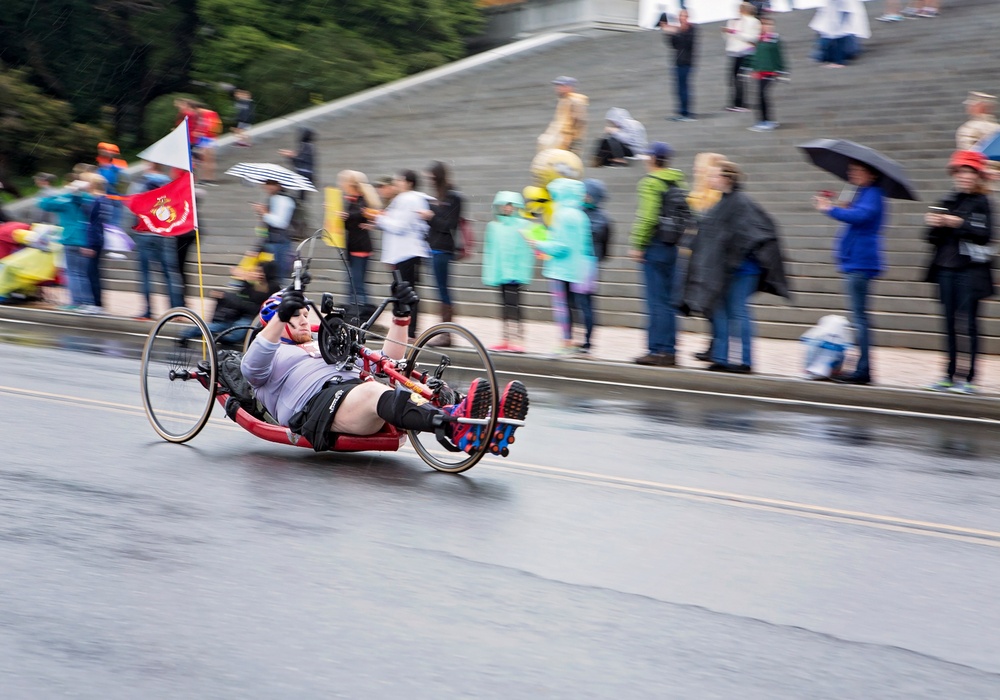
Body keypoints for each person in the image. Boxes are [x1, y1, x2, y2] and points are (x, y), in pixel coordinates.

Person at [240, 282, 530, 455]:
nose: (304, 321)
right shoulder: (271, 355)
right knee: (372, 392)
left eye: (305, 314)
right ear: (275, 321)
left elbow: (389, 360)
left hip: (356, 395)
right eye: (295, 316)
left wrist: (401, 317)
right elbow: (251, 369)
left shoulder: (323, 345)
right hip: (316, 409)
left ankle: (487, 423)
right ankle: (456, 427)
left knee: (400, 380)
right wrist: (279, 318)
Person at [683, 161, 789, 373]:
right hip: (726, 270)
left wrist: (734, 258)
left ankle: (744, 360)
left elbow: (756, 232)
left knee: (738, 312)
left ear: (727, 178)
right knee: (722, 311)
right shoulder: (723, 202)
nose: (710, 180)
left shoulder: (741, 202)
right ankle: (722, 358)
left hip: (742, 271)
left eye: (714, 176)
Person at [923, 150, 994, 395]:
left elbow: (984, 234)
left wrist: (959, 223)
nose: (964, 176)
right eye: (960, 172)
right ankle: (949, 375)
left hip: (970, 271)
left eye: (969, 172)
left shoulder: (982, 202)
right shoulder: (948, 200)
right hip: (945, 269)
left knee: (970, 324)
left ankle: (970, 378)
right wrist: (934, 223)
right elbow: (930, 238)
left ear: (977, 176)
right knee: (949, 324)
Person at [813, 160, 887, 385]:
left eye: (858, 170)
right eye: (852, 170)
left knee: (860, 319)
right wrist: (845, 208)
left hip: (860, 262)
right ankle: (860, 368)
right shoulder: (864, 192)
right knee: (858, 318)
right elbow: (858, 215)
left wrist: (830, 208)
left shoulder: (873, 193)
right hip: (855, 261)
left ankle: (863, 370)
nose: (852, 173)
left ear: (871, 174)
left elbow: (862, 217)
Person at [629, 142, 688, 367]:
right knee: (669, 301)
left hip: (654, 245)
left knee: (655, 302)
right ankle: (670, 350)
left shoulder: (650, 183)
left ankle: (656, 350)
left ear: (653, 159)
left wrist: (638, 243)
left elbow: (648, 217)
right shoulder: (677, 181)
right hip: (672, 246)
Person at [527, 177, 597, 355]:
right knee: (573, 306)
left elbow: (561, 246)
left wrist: (538, 243)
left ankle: (566, 342)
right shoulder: (580, 214)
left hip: (561, 269)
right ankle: (574, 342)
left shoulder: (562, 214)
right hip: (577, 269)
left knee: (562, 307)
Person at [375, 170, 432, 340]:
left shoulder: (410, 199)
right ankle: (405, 329)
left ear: (408, 182)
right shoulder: (407, 199)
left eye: (400, 180)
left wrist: (380, 219)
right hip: (403, 253)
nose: (397, 182)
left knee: (406, 294)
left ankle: (409, 331)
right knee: (403, 293)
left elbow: (400, 226)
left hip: (407, 253)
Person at [129, 162, 185, 320]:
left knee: (145, 274)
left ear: (149, 166)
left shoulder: (140, 183)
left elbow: (133, 205)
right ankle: (176, 311)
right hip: (164, 234)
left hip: (145, 233)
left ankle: (148, 311)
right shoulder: (169, 183)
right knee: (169, 274)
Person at [182, 254, 280, 343]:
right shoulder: (250, 285)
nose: (257, 274)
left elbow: (255, 308)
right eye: (257, 271)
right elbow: (240, 299)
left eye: (260, 272)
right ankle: (186, 335)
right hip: (238, 315)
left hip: (252, 318)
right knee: (215, 326)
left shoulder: (273, 289)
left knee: (238, 331)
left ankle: (221, 338)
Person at [482, 191, 534, 353]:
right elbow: (490, 251)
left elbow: (532, 247)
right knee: (504, 306)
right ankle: (506, 338)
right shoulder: (494, 227)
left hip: (516, 274)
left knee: (515, 305)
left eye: (511, 205)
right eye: (505, 205)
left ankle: (518, 338)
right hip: (501, 273)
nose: (507, 208)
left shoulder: (524, 226)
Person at [38, 176, 95, 311]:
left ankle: (76, 302)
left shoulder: (66, 201)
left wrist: (67, 191)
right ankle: (87, 302)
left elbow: (44, 203)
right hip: (84, 239)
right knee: (81, 274)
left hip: (70, 239)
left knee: (72, 273)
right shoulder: (86, 199)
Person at [425, 161, 464, 346]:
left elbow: (449, 225)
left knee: (443, 291)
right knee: (440, 290)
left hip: (443, 249)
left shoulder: (454, 197)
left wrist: (431, 216)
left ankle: (447, 334)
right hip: (433, 248)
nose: (429, 180)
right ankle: (444, 331)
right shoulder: (437, 197)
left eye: (431, 176)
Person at [337, 170, 381, 314]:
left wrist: (347, 215)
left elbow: (362, 213)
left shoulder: (363, 200)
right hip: (352, 246)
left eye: (344, 182)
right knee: (353, 283)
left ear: (351, 185)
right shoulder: (351, 201)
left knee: (358, 284)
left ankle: (366, 313)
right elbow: (349, 223)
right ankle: (353, 312)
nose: (342, 185)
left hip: (361, 248)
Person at [580, 178, 613, 355]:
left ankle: (587, 339)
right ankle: (582, 338)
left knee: (585, 303)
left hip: (587, 265)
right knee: (581, 303)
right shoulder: (586, 214)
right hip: (585, 263)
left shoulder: (596, 218)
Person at [747, 16, 787, 132]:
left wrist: (781, 70)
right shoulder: (758, 40)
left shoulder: (774, 39)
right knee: (759, 96)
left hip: (771, 72)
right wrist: (752, 69)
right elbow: (754, 56)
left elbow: (778, 55)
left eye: (769, 24)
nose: (767, 27)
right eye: (765, 24)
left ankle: (768, 121)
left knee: (763, 94)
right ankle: (762, 121)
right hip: (760, 72)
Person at [252, 179, 297, 282]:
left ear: (279, 185)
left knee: (277, 277)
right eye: (266, 184)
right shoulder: (272, 198)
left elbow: (281, 223)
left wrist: (264, 213)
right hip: (270, 241)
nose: (267, 187)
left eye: (271, 184)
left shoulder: (284, 200)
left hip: (279, 243)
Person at [660, 9, 698, 122]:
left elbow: (688, 42)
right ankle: (681, 111)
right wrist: (669, 33)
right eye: (680, 16)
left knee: (684, 88)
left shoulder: (691, 29)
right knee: (678, 88)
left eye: (684, 16)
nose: (682, 18)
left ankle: (686, 112)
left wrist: (677, 32)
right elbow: (673, 45)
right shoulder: (678, 30)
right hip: (678, 61)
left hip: (686, 62)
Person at [722, 3, 761, 111]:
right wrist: (728, 33)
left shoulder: (753, 21)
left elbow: (753, 38)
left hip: (746, 52)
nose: (738, 11)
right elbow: (729, 38)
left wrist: (735, 33)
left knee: (740, 78)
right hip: (734, 52)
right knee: (733, 78)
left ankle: (740, 103)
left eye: (740, 9)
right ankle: (735, 102)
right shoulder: (733, 21)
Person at [538, 76, 588, 155]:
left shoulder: (575, 101)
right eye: (557, 86)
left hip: (567, 141)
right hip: (560, 139)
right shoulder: (564, 100)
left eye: (561, 86)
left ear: (569, 87)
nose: (558, 88)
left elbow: (579, 122)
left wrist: (574, 141)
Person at [279, 128, 317, 204]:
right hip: (304, 174)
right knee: (300, 196)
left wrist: (291, 156)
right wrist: (291, 156)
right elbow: (299, 160)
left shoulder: (307, 146)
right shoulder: (306, 146)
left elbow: (301, 159)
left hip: (305, 175)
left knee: (300, 196)